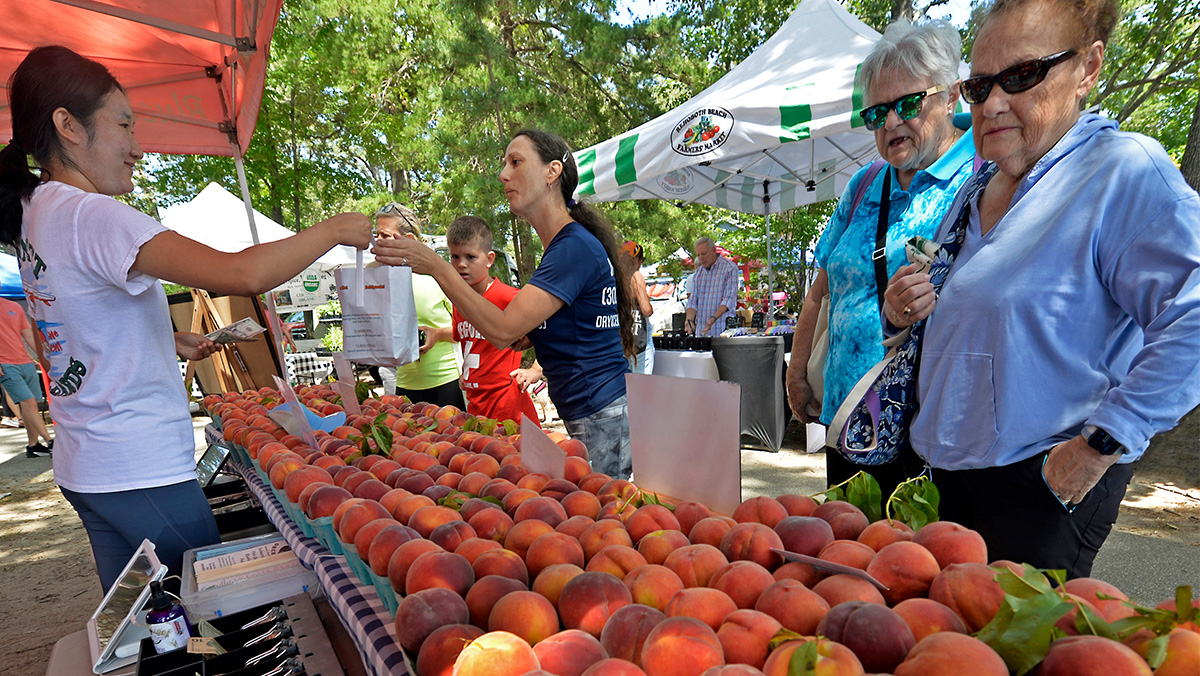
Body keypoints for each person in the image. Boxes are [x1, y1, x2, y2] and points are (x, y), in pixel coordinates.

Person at [0, 46, 372, 591]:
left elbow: (69, 317)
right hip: (139, 466)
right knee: (211, 617)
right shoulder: (97, 216)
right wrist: (331, 230)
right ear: (68, 126)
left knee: (148, 629)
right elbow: (240, 273)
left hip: (88, 466)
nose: (136, 147)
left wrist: (164, 338)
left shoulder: (37, 211)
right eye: (124, 124)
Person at [884, 0, 1199, 578]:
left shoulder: (1122, 172)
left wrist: (1102, 445)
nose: (994, 102)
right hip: (944, 479)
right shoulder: (974, 188)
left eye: (1022, 75)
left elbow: (1194, 317)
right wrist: (903, 315)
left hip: (1040, 483)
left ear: (1088, 68)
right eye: (980, 85)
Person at [784, 21, 976, 504]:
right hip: (847, 413)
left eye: (908, 104)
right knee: (846, 555)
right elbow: (819, 290)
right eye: (876, 113)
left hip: (924, 427)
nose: (891, 123)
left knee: (910, 567)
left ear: (951, 96)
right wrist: (797, 372)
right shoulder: (866, 183)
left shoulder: (980, 178)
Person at [373, 129, 635, 480]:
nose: (503, 174)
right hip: (596, 410)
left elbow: (501, 330)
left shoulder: (571, 246)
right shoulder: (567, 244)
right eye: (504, 164)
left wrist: (436, 266)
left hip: (601, 413)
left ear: (551, 172)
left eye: (516, 162)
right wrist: (535, 335)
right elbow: (558, 325)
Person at [425, 215, 540, 425]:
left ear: (489, 259)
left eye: (470, 257)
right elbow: (466, 341)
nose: (461, 264)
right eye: (454, 257)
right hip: (474, 402)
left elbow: (548, 333)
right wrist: (466, 375)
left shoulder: (509, 297)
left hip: (507, 402)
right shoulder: (459, 300)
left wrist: (535, 370)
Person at [373, 203, 463, 409]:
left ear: (410, 240)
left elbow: (470, 328)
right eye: (375, 234)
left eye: (385, 236)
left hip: (446, 382)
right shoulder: (376, 281)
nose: (377, 241)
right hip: (404, 385)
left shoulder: (437, 276)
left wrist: (437, 334)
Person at [0, 296, 54, 456]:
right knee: (28, 402)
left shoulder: (14, 306)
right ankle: (51, 441)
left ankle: (33, 446)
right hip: (5, 365)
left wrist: (44, 357)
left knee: (31, 405)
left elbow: (29, 335)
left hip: (25, 362)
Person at [685, 237, 738, 337]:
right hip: (701, 333)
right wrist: (689, 320)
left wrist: (713, 319)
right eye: (698, 255)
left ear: (713, 250)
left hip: (723, 331)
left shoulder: (729, 268)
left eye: (704, 254)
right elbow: (692, 300)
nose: (701, 258)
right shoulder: (698, 274)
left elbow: (729, 299)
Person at [622, 241, 655, 375]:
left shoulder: (618, 278)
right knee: (642, 386)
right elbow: (646, 309)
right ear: (637, 260)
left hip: (624, 338)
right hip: (639, 338)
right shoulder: (636, 276)